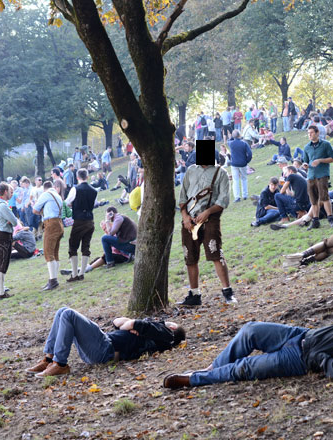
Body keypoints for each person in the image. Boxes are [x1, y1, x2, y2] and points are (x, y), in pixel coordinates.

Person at [162, 322, 333, 389]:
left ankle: (195, 379)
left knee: (245, 368)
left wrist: (319, 359)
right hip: (300, 334)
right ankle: (212, 368)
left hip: (300, 359)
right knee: (250, 331)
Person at [25, 307, 186, 377]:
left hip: (106, 349)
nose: (168, 322)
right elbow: (117, 322)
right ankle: (49, 360)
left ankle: (60, 364)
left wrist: (132, 325)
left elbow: (127, 324)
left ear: (172, 328)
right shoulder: (153, 332)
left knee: (68, 314)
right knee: (62, 311)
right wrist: (131, 324)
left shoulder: (165, 334)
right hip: (100, 346)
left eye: (172, 323)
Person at [176, 145, 236, 307]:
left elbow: (223, 201)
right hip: (190, 220)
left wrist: (208, 212)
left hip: (210, 219)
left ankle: (228, 292)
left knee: (216, 253)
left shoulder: (220, 173)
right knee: (190, 257)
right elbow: (182, 198)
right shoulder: (190, 171)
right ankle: (194, 294)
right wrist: (185, 218)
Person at [63, 169, 97, 282]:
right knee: (85, 246)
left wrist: (74, 205)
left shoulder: (75, 189)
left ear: (77, 177)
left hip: (79, 220)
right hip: (90, 220)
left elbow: (67, 202)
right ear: (87, 176)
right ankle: (81, 273)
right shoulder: (94, 190)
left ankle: (74, 274)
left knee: (73, 246)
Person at [303, 125, 333, 230]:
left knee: (324, 197)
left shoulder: (326, 144)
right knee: (313, 200)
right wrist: (305, 165)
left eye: (312, 133)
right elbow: (306, 161)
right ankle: (315, 221)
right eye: (308, 133)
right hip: (310, 175)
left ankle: (331, 219)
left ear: (317, 133)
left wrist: (320, 160)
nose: (310, 135)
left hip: (322, 174)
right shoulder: (306, 147)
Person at [0, 183, 18, 299]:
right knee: (2, 263)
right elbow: (15, 221)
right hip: (3, 236)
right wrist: (10, 221)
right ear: (5, 191)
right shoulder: (2, 205)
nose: (11, 193)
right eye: (9, 191)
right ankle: (1, 292)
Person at [33, 181, 64, 291]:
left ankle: (53, 280)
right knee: (55, 253)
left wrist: (41, 211)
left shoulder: (46, 195)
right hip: (59, 223)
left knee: (48, 252)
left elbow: (35, 209)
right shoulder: (57, 196)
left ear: (44, 189)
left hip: (51, 224)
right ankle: (53, 279)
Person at [228, 130, 253, 202]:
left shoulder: (231, 143)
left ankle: (237, 197)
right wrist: (247, 161)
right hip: (242, 163)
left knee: (235, 180)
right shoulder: (244, 143)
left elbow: (229, 140)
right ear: (239, 135)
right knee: (244, 179)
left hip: (234, 164)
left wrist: (231, 137)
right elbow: (250, 154)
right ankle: (245, 195)